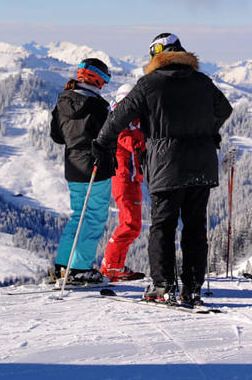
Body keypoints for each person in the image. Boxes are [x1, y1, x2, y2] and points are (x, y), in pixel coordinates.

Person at [94, 33, 232, 307]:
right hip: (201, 165)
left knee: (163, 226)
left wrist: (102, 144)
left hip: (165, 165)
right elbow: (225, 109)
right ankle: (192, 287)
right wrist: (208, 131)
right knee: (195, 227)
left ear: (156, 57)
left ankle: (163, 285)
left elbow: (119, 115)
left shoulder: (149, 84)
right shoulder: (202, 81)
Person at [49, 58, 115, 284]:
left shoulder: (62, 102)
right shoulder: (98, 107)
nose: (104, 85)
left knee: (79, 216)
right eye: (104, 79)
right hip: (97, 167)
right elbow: (109, 138)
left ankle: (63, 266)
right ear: (97, 79)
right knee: (94, 218)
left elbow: (57, 136)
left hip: (74, 167)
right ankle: (79, 269)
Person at [100, 83, 147, 282]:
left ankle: (115, 266)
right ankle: (111, 266)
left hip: (130, 178)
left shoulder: (128, 120)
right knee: (130, 224)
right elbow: (134, 143)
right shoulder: (120, 120)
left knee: (132, 225)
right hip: (124, 178)